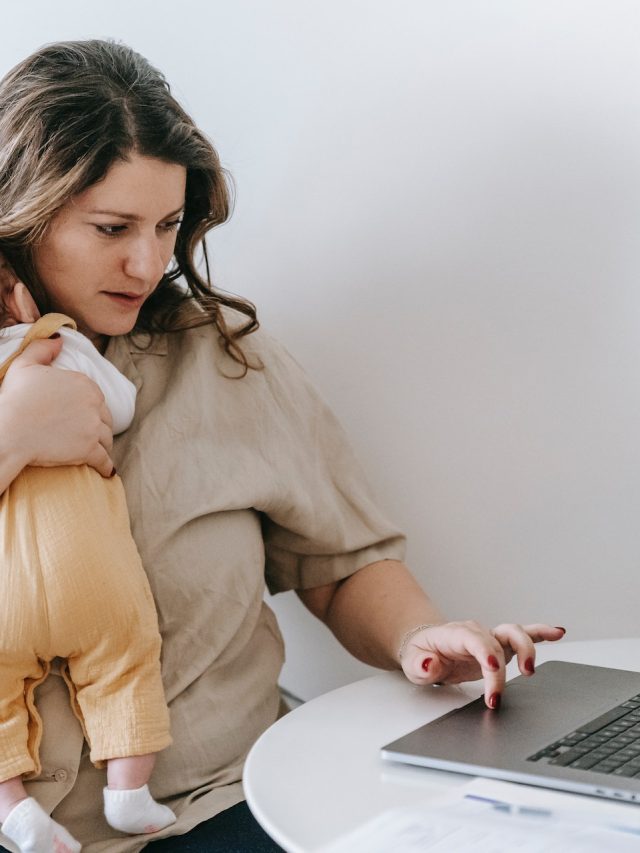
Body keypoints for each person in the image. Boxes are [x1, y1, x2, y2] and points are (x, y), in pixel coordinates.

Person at [0, 39, 565, 853]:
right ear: (22, 209)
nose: (149, 262)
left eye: (167, 225)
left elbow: (339, 562)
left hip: (214, 804)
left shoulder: (223, 360)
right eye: (112, 227)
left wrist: (417, 637)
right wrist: (13, 434)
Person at [0, 278, 176, 852]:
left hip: (4, 592)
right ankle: (128, 793)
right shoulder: (53, 341)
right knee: (127, 661)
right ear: (22, 296)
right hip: (90, 567)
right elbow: (118, 409)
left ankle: (14, 812)